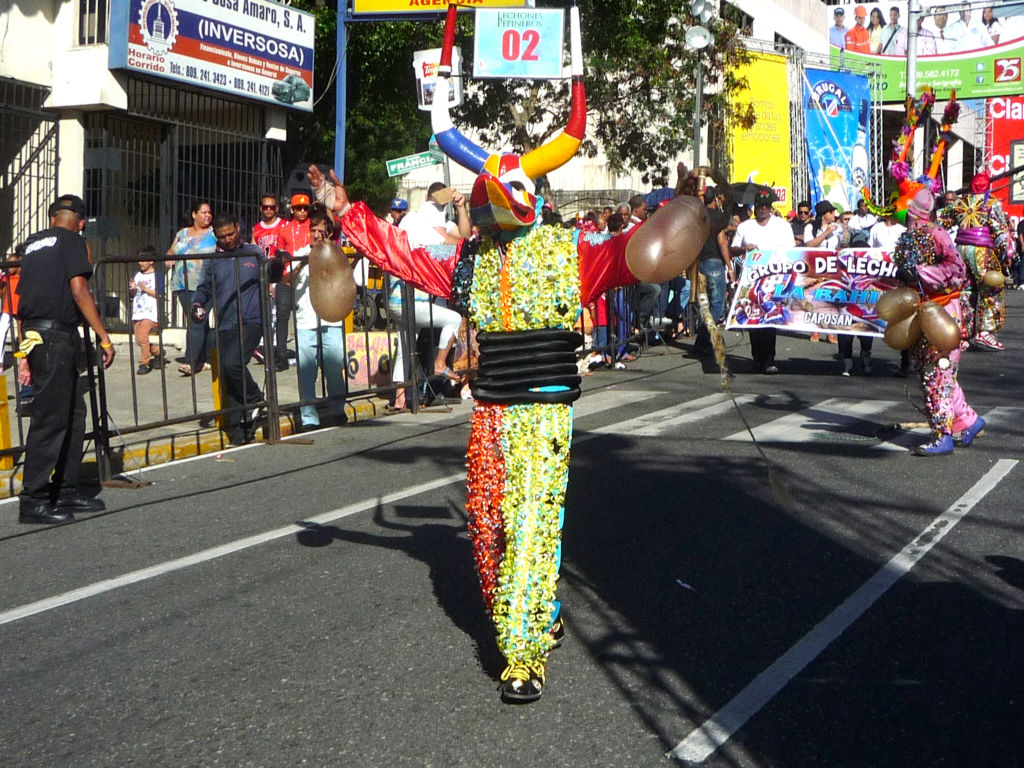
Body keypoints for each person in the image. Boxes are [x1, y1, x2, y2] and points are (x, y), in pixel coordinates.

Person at [305, 4, 706, 704]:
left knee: (529, 526)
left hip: (545, 417)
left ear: (532, 199)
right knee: (487, 534)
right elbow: (404, 258)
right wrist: (347, 216)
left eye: (508, 187)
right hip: (489, 415)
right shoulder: (470, 264)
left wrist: (686, 213)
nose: (494, 197)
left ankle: (522, 658)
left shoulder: (571, 254)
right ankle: (536, 616)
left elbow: (636, 255)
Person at [16, 194, 116, 524]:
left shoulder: (31, 244)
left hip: (36, 333)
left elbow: (22, 299)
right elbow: (79, 290)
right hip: (56, 335)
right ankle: (34, 499)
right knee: (51, 419)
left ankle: (67, 488)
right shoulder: (72, 240)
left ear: (52, 217)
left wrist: (24, 353)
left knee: (73, 413)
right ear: (81, 221)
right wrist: (103, 335)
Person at [892, 188, 984, 456]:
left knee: (938, 373)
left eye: (915, 213)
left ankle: (942, 434)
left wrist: (921, 273)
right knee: (936, 373)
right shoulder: (908, 238)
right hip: (920, 312)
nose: (912, 218)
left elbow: (957, 271)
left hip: (942, 311)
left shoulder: (938, 235)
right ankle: (969, 421)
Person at [191, 212, 266, 447]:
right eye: (222, 237)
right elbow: (204, 288)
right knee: (227, 373)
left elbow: (270, 274)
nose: (227, 240)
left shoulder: (254, 253)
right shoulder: (213, 260)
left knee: (233, 364)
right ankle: (239, 430)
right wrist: (197, 303)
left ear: (238, 228)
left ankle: (256, 399)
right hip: (225, 323)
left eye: (230, 234)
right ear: (216, 236)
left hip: (252, 320)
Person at [939, 173, 1012, 350]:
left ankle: (962, 334)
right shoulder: (991, 203)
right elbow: (1000, 230)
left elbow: (942, 219)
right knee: (991, 287)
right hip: (982, 250)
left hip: (960, 250)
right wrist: (1007, 253)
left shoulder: (959, 203)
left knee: (965, 291)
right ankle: (985, 330)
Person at [291, 211, 348, 429]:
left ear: (329, 232)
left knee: (334, 367)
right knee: (306, 372)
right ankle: (308, 417)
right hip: (306, 320)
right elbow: (287, 280)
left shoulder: (337, 253)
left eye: (320, 230)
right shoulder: (299, 253)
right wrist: (301, 264)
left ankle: (337, 409)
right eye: (312, 230)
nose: (316, 235)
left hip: (331, 319)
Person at [731, 190, 796, 374]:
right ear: (755, 206)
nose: (764, 209)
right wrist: (745, 248)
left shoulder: (782, 226)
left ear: (771, 207)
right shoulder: (745, 227)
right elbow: (733, 249)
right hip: (751, 279)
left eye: (767, 206)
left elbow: (791, 252)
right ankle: (757, 358)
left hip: (774, 278)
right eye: (760, 206)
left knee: (769, 318)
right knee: (754, 318)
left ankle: (768, 359)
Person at [167, 199, 215, 377]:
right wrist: (169, 257)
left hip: (204, 286)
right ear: (194, 214)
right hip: (181, 284)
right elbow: (172, 250)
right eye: (203, 212)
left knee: (197, 320)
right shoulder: (182, 233)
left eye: (209, 212)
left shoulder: (214, 234)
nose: (207, 216)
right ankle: (205, 358)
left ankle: (191, 361)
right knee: (196, 322)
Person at [275, 193, 313, 372]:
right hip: (287, 278)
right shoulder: (284, 228)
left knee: (306, 318)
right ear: (292, 209)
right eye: (299, 208)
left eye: (306, 208)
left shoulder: (313, 227)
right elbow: (279, 251)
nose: (303, 212)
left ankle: (307, 355)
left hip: (307, 280)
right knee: (282, 316)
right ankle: (281, 355)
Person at [693, 186, 732, 355]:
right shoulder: (718, 217)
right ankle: (703, 337)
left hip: (700, 262)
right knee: (717, 303)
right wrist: (729, 266)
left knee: (706, 303)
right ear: (715, 199)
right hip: (714, 262)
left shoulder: (698, 217)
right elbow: (722, 242)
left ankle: (703, 340)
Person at [129, 245, 164, 375]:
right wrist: (132, 289)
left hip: (149, 312)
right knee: (138, 340)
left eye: (144, 260)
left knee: (143, 337)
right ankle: (158, 352)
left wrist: (146, 289)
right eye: (139, 260)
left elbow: (160, 294)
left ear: (151, 261)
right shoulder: (138, 275)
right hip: (138, 312)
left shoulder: (156, 276)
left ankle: (145, 363)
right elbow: (132, 294)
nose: (140, 263)